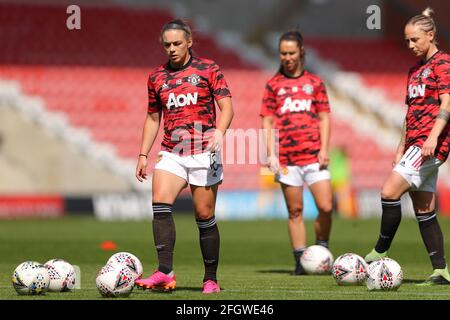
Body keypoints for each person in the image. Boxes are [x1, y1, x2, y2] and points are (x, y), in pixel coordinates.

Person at [134, 19, 234, 293]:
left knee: (204, 215)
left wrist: (219, 132)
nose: (172, 49)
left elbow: (227, 107)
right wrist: (144, 153)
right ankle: (165, 271)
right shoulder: (156, 77)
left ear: (189, 42)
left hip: (204, 152)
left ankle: (210, 278)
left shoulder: (209, 69)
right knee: (160, 203)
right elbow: (153, 117)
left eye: (177, 43)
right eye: (167, 44)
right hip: (172, 152)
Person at [364, 7, 450, 285]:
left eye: (415, 39)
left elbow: (447, 103)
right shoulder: (415, 70)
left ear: (431, 35)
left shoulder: (443, 64)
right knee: (424, 209)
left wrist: (433, 137)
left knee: (389, 191)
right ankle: (441, 271)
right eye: (407, 41)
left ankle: (379, 251)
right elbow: (410, 111)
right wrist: (401, 145)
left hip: (429, 143)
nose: (411, 45)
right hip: (415, 143)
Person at [260, 30, 333, 275]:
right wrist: (270, 154)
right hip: (287, 160)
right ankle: (301, 261)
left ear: (301, 52)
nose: (287, 57)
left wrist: (324, 148)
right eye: (283, 53)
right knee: (295, 211)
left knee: (325, 206)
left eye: (291, 52)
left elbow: (324, 117)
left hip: (314, 157)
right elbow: (267, 122)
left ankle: (321, 250)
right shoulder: (273, 85)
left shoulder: (315, 83)